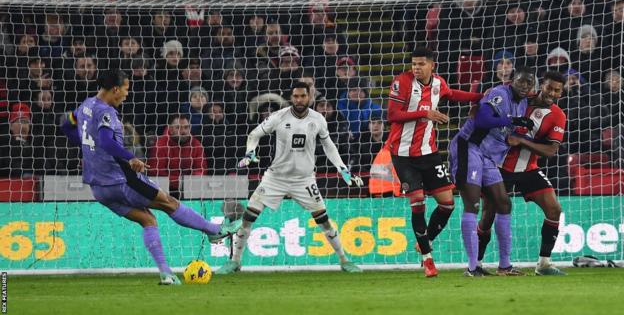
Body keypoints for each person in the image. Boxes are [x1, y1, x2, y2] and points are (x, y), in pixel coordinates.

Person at [60, 70, 241, 285]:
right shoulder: (106, 113)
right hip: (121, 180)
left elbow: (66, 124)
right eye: (126, 89)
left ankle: (166, 274)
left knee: (148, 219)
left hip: (98, 188)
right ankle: (215, 231)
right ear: (116, 89)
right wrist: (130, 158)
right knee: (169, 202)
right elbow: (107, 142)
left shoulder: (86, 105)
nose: (127, 94)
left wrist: (86, 147)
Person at [215, 82, 364, 274]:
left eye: (303, 96)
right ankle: (235, 261)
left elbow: (329, 146)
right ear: (291, 97)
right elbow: (254, 134)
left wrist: (343, 169)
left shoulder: (318, 119)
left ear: (309, 97)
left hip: (304, 180)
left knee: (324, 220)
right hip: (276, 177)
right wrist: (249, 153)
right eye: (296, 96)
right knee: (248, 217)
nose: (299, 100)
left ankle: (344, 260)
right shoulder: (278, 116)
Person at [386, 46, 483, 277]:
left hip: (428, 153)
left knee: (447, 203)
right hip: (403, 154)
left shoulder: (438, 83)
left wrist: (480, 97)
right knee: (418, 201)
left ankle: (425, 240)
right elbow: (392, 115)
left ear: (432, 65)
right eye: (414, 64)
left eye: (421, 64)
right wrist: (425, 113)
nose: (416, 68)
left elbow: (452, 94)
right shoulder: (402, 82)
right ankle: (428, 259)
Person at [448, 66, 536, 277]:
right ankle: (472, 267)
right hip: (468, 147)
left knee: (503, 203)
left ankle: (504, 266)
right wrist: (513, 121)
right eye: (521, 81)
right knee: (473, 204)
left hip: (487, 156)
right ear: (512, 79)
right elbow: (482, 120)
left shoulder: (523, 102)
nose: (525, 86)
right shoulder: (499, 93)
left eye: (529, 83)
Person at [478, 71, 567, 276]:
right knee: (487, 215)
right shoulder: (520, 98)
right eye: (549, 87)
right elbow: (494, 102)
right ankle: (477, 264)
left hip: (528, 169)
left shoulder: (558, 115)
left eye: (557, 90)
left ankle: (544, 264)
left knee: (554, 210)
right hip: (499, 168)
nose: (552, 93)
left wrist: (522, 141)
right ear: (541, 85)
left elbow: (551, 151)